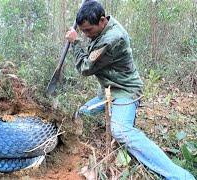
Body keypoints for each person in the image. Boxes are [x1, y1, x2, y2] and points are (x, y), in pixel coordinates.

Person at [65, 1, 195, 179]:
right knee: (80, 114)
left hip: (125, 91)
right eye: (83, 31)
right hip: (108, 92)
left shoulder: (113, 39)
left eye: (88, 30)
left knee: (120, 131)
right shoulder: (103, 26)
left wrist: (75, 42)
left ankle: (181, 176)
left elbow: (86, 68)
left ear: (102, 20)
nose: (86, 35)